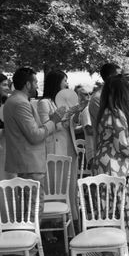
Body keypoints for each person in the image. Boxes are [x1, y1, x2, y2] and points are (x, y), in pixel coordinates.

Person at [92, 75, 129, 256]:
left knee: (109, 208)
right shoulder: (115, 113)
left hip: (105, 164)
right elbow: (122, 145)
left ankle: (111, 249)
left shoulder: (106, 111)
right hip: (114, 167)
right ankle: (121, 248)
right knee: (121, 207)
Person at [3, 68, 65, 206]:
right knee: (33, 210)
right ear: (28, 84)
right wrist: (54, 120)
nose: (37, 86)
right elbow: (35, 136)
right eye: (35, 82)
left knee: (27, 210)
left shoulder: (14, 100)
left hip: (26, 163)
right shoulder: (20, 103)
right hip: (29, 164)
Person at [38, 70, 80, 217]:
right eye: (64, 81)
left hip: (69, 144)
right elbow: (46, 127)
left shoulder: (65, 102)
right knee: (56, 184)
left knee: (71, 184)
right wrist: (64, 116)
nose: (67, 84)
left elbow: (71, 126)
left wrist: (75, 114)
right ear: (56, 83)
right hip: (55, 148)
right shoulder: (44, 103)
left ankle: (72, 219)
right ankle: (54, 220)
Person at [88, 62, 121, 143]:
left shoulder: (118, 95)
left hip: (120, 144)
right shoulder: (98, 98)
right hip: (106, 147)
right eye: (119, 75)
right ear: (110, 77)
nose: (122, 79)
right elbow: (110, 124)